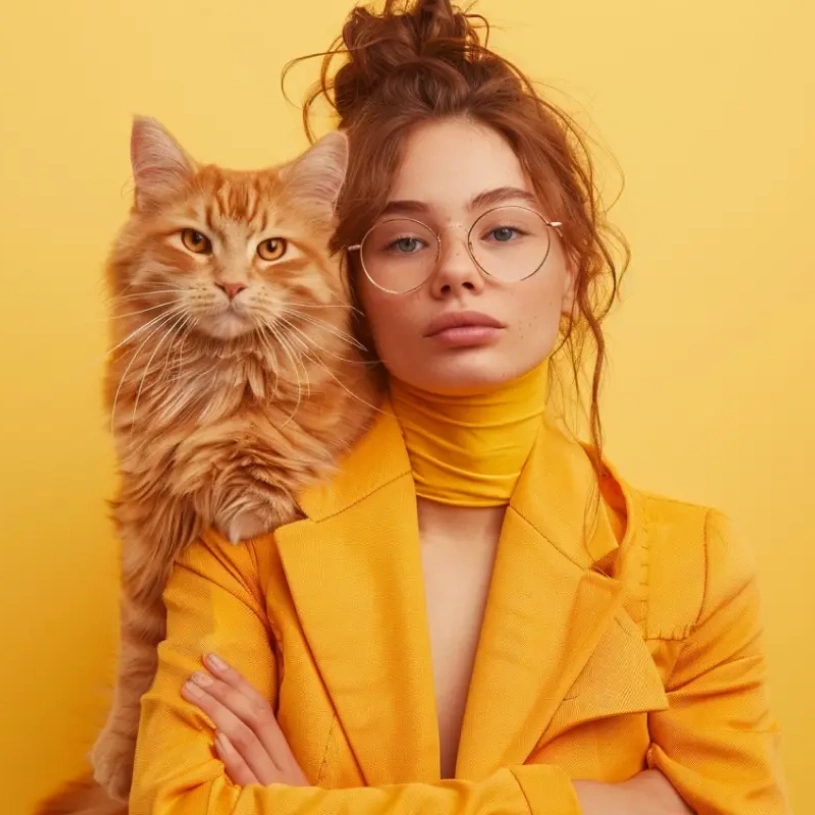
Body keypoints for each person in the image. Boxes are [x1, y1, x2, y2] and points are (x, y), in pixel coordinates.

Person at [129, 0, 789, 812]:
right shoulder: (244, 549)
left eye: (503, 231)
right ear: (349, 285)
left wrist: (314, 800)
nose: (457, 270)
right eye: (405, 240)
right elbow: (175, 803)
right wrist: (608, 802)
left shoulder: (694, 566)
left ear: (572, 267)